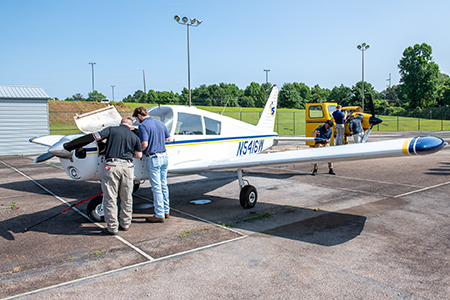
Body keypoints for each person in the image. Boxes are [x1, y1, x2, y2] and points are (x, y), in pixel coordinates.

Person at [94, 117, 142, 235]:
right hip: (128, 168)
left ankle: (112, 227)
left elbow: (97, 137)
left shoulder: (111, 129)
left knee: (110, 197)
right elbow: (138, 155)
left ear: (120, 124)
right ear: (130, 127)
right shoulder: (135, 137)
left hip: (112, 166)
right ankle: (125, 224)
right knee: (127, 197)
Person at [132, 107, 171, 223]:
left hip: (153, 157)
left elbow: (144, 143)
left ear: (139, 115)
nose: (137, 120)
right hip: (164, 156)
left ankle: (159, 214)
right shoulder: (160, 123)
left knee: (156, 187)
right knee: (163, 184)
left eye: (136, 118)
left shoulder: (143, 126)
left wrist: (138, 151)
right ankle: (166, 210)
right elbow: (168, 138)